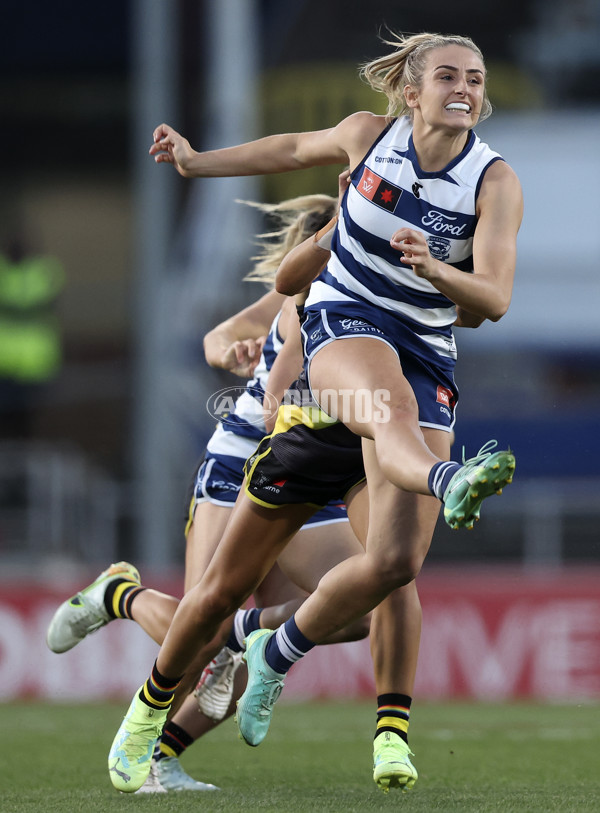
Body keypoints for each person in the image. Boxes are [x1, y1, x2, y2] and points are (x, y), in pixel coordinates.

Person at [107, 30, 521, 792]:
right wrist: (199, 164)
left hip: (425, 352)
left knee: (395, 568)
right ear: (411, 91)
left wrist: (433, 268)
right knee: (223, 590)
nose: (465, 86)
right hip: (341, 339)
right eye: (448, 75)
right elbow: (291, 147)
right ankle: (144, 722)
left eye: (477, 76)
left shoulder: (492, 180)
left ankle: (298, 667)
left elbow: (493, 297)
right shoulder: (368, 141)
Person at [49, 192, 418, 793]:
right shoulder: (309, 288)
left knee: (363, 605)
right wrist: (235, 350)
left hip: (326, 466)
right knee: (202, 630)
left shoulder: (389, 289)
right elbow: (221, 342)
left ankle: (180, 730)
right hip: (250, 456)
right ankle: (120, 594)